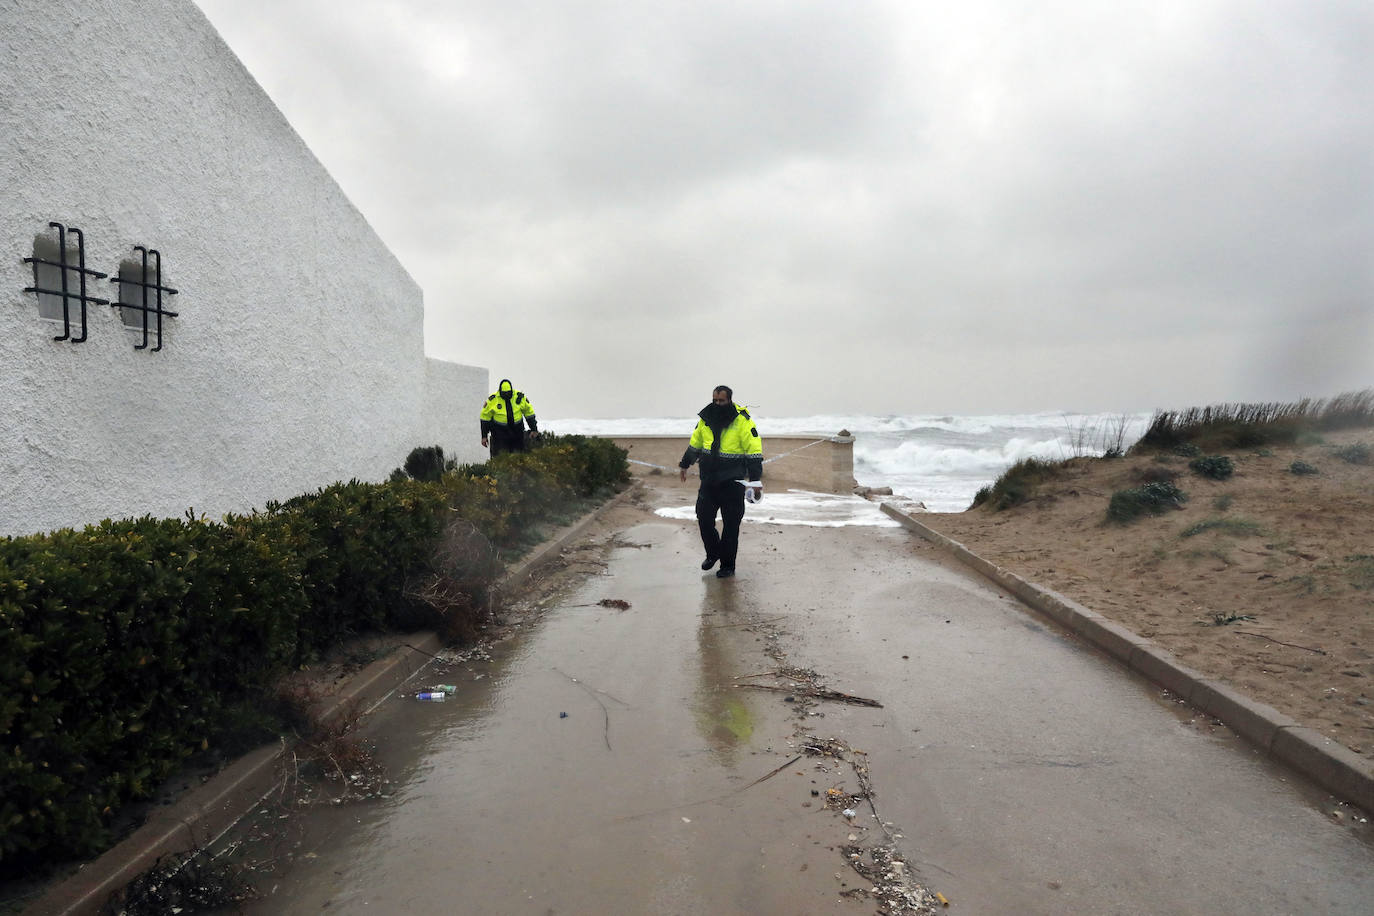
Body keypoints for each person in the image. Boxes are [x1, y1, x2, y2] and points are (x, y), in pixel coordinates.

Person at [678, 385, 763, 578]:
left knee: (731, 526)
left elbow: (754, 451)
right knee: (704, 519)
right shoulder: (705, 418)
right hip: (709, 481)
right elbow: (695, 444)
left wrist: (755, 481)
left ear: (729, 400)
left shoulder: (742, 421)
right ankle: (713, 552)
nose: (717, 404)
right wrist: (684, 464)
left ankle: (727, 566)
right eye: (715, 400)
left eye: (721, 401)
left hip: (732, 484)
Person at [480, 378, 539, 456]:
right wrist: (484, 436)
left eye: (508, 393)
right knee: (500, 457)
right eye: (504, 393)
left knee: (518, 456)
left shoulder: (519, 398)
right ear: (500, 391)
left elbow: (529, 414)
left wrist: (534, 429)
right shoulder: (493, 400)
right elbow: (485, 418)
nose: (506, 395)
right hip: (499, 433)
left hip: (517, 431)